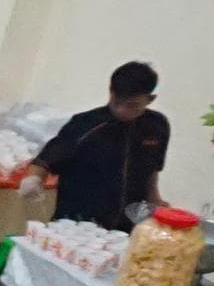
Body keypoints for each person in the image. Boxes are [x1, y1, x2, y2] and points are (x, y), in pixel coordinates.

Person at [36, 60, 175, 226]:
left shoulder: (156, 125)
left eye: (132, 105)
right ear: (110, 91)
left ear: (150, 99)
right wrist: (33, 179)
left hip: (127, 222)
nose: (121, 110)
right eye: (117, 102)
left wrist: (155, 200)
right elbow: (46, 159)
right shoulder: (85, 124)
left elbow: (152, 170)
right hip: (78, 220)